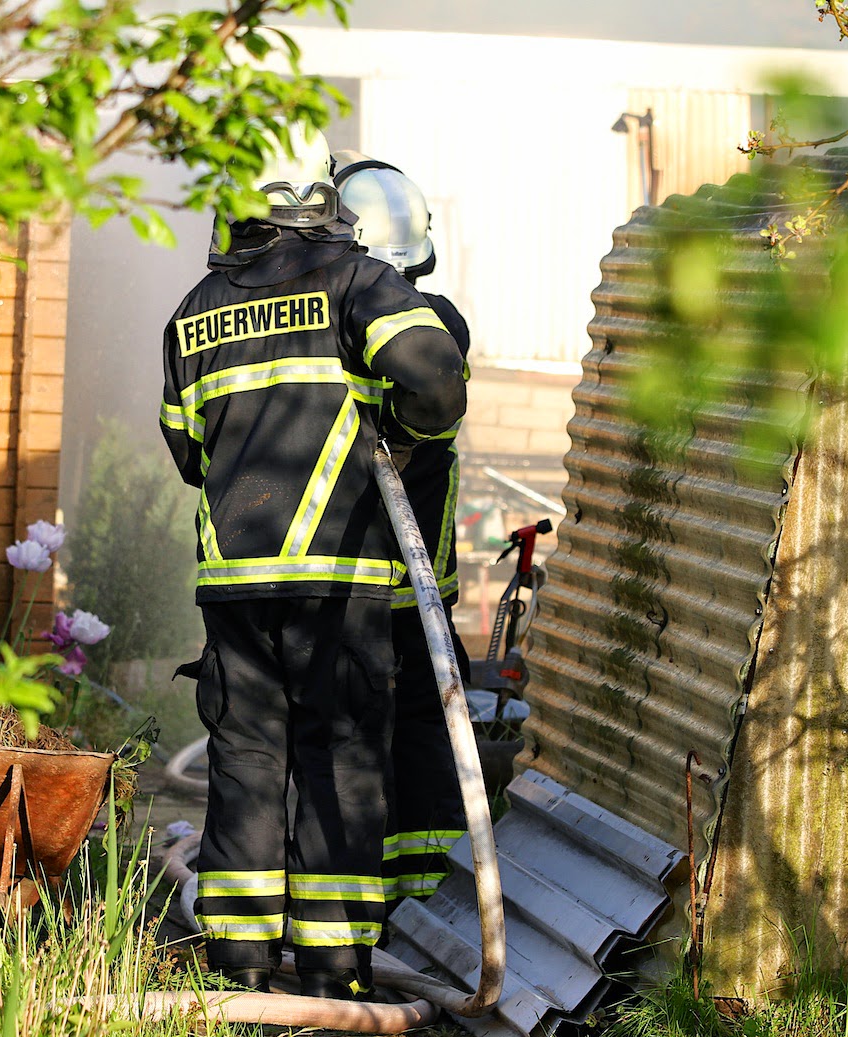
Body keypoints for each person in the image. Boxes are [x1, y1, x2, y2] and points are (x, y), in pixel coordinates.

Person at [160, 133, 467, 1000]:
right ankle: (334, 976)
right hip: (339, 577)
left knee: (247, 757)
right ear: (318, 195)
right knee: (340, 756)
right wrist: (404, 442)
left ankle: (241, 967)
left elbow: (188, 447)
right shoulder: (358, 280)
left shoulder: (194, 307)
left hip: (234, 579)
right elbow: (436, 377)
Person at [332, 151, 474, 910]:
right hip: (419, 587)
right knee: (422, 731)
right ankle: (424, 901)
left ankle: (357, 898)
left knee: (355, 736)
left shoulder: (333, 324)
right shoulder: (439, 324)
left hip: (344, 580)